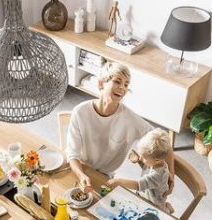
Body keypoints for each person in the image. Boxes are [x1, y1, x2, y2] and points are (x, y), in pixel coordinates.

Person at [65, 62, 174, 193]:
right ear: (101, 84)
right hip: (81, 170)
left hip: (105, 178)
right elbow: (72, 154)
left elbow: (164, 141)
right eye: (117, 81)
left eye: (126, 85)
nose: (122, 87)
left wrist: (171, 174)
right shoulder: (80, 112)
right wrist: (81, 175)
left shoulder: (131, 119)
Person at [106, 128, 174, 213]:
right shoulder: (155, 163)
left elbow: (138, 185)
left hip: (154, 205)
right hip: (144, 195)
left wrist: (118, 181)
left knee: (156, 215)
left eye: (144, 157)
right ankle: (166, 206)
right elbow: (147, 170)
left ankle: (168, 209)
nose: (141, 158)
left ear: (157, 160)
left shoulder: (158, 175)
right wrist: (139, 161)